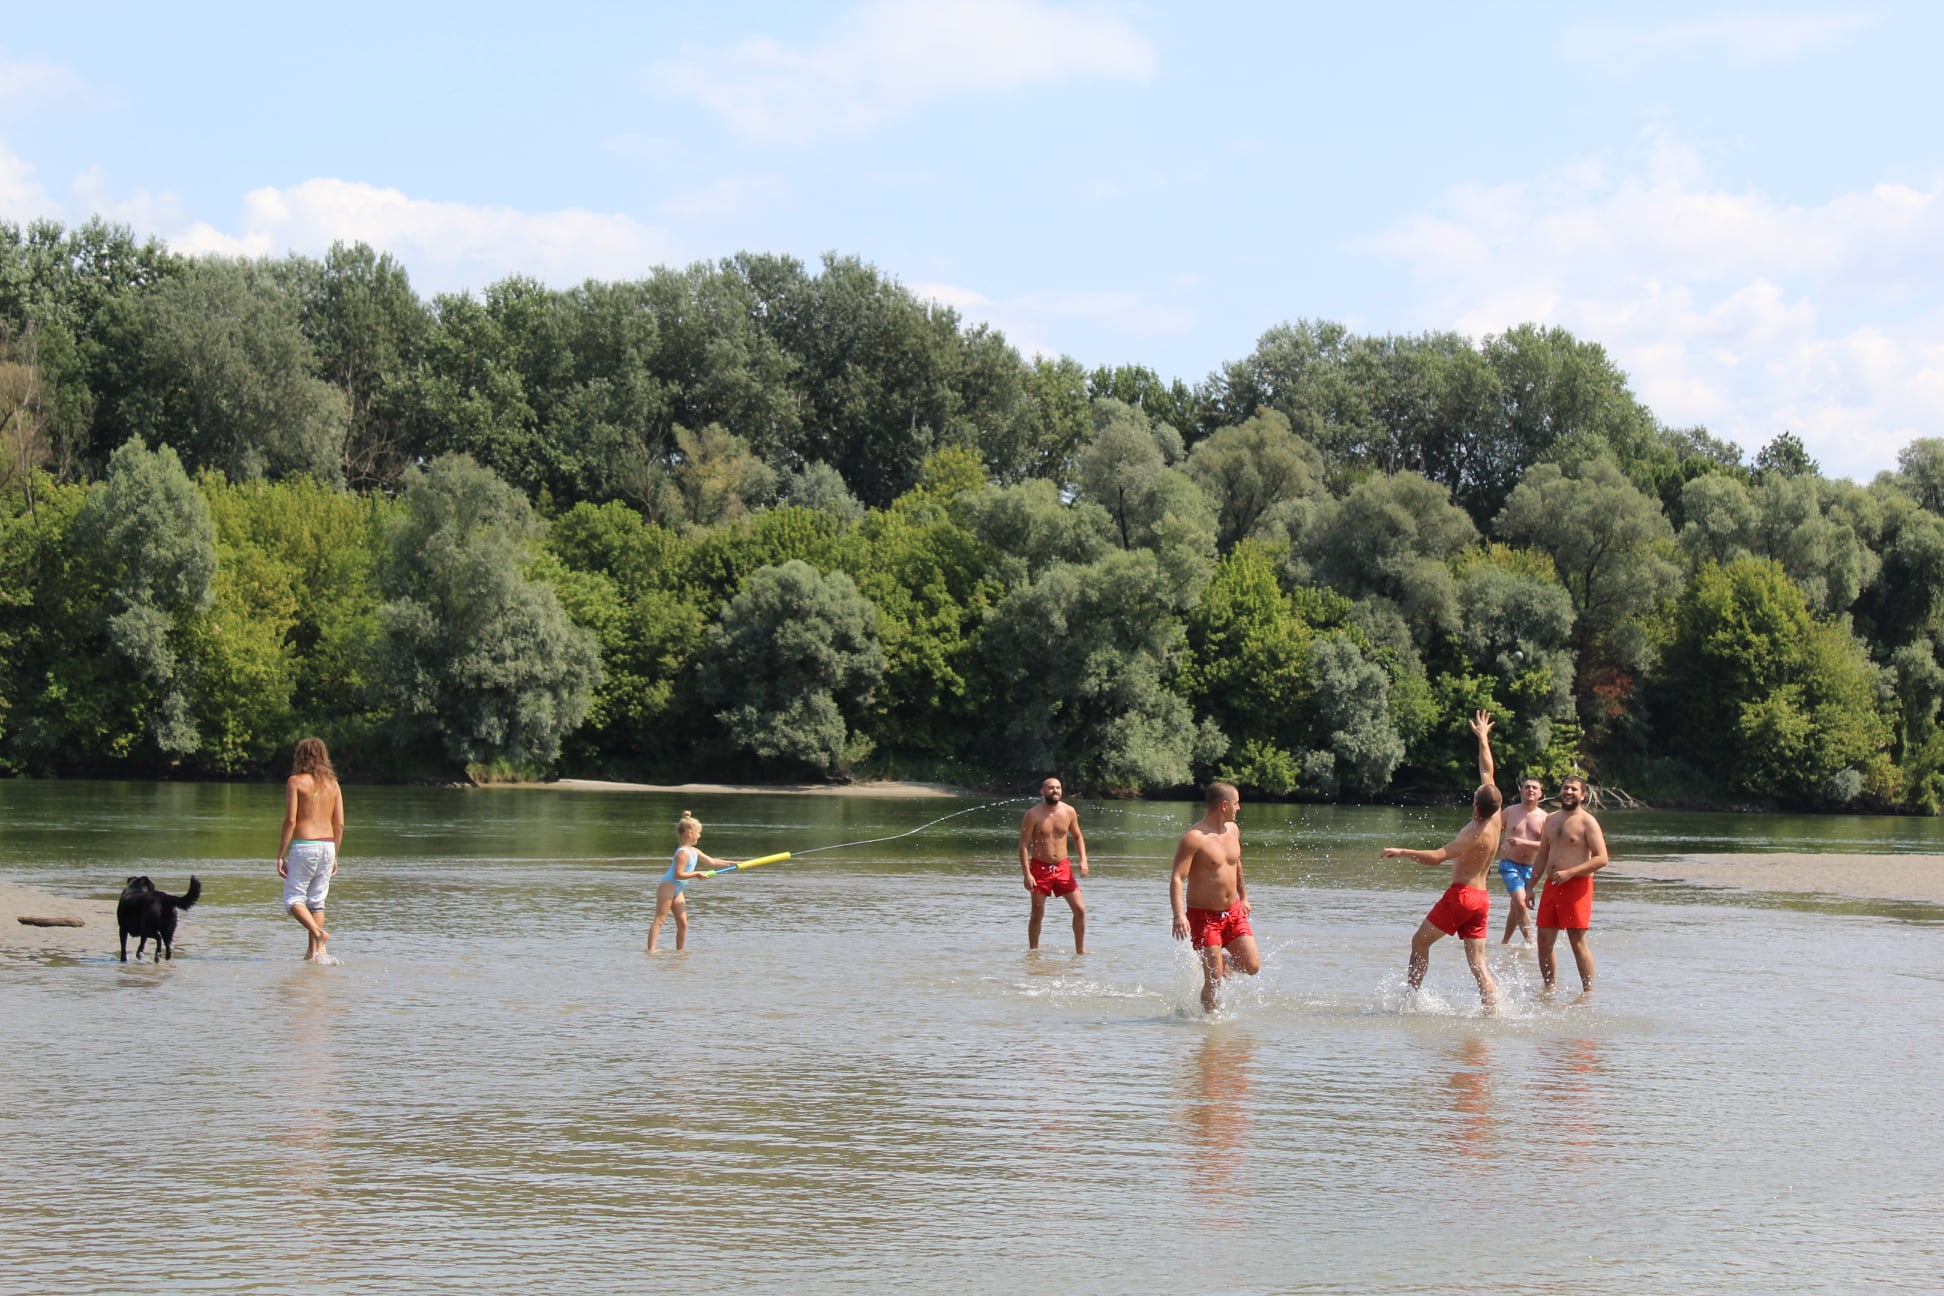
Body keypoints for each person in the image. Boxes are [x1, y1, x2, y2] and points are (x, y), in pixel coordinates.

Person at [1381, 783, 1505, 1009]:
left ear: (1475, 803)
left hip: (1462, 896)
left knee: (1419, 942)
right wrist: (1484, 755)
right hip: (1482, 898)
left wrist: (1403, 852)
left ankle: (1410, 1000)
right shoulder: (1496, 821)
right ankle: (1492, 1012)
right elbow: (1488, 775)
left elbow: (1437, 857)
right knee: (1479, 964)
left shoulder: (1473, 834)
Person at [1170, 782, 1260, 1013]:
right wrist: (1179, 915)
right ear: (1224, 805)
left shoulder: (1233, 830)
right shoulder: (1194, 838)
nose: (1239, 808)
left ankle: (1221, 961)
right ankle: (1209, 1025)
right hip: (1204, 917)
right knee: (1214, 979)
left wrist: (1244, 896)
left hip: (1233, 911)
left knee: (1252, 966)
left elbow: (1236, 864)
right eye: (1236, 803)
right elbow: (1178, 878)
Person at [1470, 709, 1548, 945]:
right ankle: (1532, 944)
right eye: (1527, 787)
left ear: (1541, 793)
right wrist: (1486, 863)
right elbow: (1492, 836)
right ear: (1521, 791)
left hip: (1531, 867)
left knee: (1516, 905)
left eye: (1535, 788)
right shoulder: (1508, 812)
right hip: (1509, 864)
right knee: (1521, 902)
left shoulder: (1546, 817)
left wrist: (1525, 843)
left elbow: (1548, 847)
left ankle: (1505, 942)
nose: (1530, 790)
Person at [1531, 775, 1610, 993]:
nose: (1568, 792)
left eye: (1574, 789)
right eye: (1566, 788)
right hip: (1552, 885)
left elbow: (1602, 858)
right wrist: (1530, 887)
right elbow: (1541, 855)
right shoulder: (1550, 819)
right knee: (1544, 940)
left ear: (1582, 795)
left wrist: (1570, 873)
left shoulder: (1587, 822)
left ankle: (1588, 991)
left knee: (1577, 940)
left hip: (1577, 886)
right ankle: (1549, 989)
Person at [277, 737, 344, 964]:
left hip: (305, 846)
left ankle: (318, 933)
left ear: (300, 756)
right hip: (328, 845)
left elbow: (290, 821)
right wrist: (335, 855)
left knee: (293, 898)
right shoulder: (333, 784)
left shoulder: (295, 782)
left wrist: (280, 854)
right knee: (317, 901)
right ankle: (314, 953)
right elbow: (339, 824)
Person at [648, 813, 742, 954]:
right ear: (690, 833)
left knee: (683, 923)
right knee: (660, 920)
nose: (700, 835)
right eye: (698, 832)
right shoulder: (683, 853)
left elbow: (713, 862)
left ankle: (680, 952)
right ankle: (651, 951)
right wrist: (696, 874)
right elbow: (678, 874)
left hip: (678, 889)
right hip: (668, 886)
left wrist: (733, 863)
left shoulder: (695, 851)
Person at [1017, 776, 1089, 953]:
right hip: (1040, 868)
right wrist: (1027, 874)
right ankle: (1033, 952)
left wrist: (1083, 860)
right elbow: (1023, 845)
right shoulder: (1033, 814)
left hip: (1063, 868)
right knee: (1037, 913)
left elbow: (1078, 837)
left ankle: (1080, 951)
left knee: (1080, 910)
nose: (1055, 791)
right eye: (1050, 788)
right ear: (1043, 791)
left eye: (1058, 788)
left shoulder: (1069, 811)